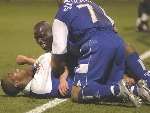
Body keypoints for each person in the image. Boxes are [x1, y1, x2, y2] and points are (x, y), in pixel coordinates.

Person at [50, 0, 144, 107]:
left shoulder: (62, 14)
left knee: (77, 92)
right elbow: (114, 27)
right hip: (116, 42)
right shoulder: (91, 3)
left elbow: (59, 51)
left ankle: (118, 90)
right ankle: (141, 85)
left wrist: (55, 68)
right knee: (108, 79)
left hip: (96, 46)